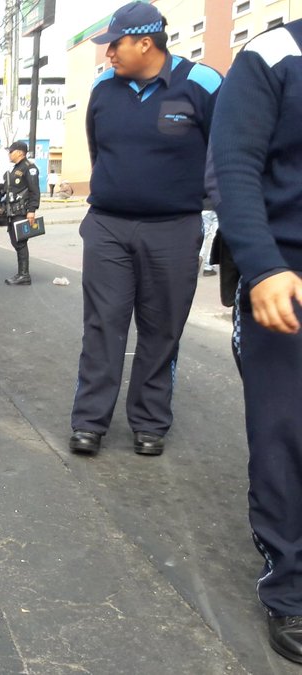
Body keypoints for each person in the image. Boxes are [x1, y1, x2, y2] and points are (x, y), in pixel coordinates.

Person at [68, 1, 222, 457]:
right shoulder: (103, 87)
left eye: (114, 45)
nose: (107, 54)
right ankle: (90, 422)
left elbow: (228, 149)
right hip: (109, 227)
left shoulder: (203, 83)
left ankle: (150, 422)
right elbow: (100, 151)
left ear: (145, 42)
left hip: (174, 229)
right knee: (103, 326)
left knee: (162, 329)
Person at [210, 18, 302, 665]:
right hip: (285, 280)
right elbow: (235, 165)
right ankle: (290, 591)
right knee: (285, 434)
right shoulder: (272, 55)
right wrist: (264, 266)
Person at [0, 141, 41, 286]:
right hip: (12, 212)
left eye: (11, 151)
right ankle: (22, 273)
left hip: (22, 212)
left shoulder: (29, 168)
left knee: (21, 242)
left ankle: (24, 275)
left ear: (20, 152)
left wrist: (32, 211)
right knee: (16, 242)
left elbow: (35, 191)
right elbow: (4, 188)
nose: (9, 154)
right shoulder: (15, 169)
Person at [200, 209, 219, 276]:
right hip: (217, 206)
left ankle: (199, 255)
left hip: (204, 207)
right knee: (215, 237)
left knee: (203, 235)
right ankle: (208, 267)